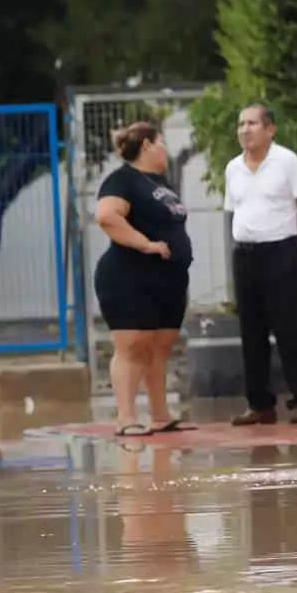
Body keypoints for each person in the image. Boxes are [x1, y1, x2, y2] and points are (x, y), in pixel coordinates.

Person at [93, 122, 196, 437]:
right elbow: (107, 216)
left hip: (168, 279)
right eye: (162, 142)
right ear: (148, 145)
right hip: (129, 276)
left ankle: (160, 416)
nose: (165, 149)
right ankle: (126, 418)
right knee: (132, 347)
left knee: (160, 348)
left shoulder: (159, 182)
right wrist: (146, 244)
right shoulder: (122, 180)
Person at [223, 105, 297, 426]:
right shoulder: (233, 168)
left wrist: (295, 239)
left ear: (270, 129)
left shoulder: (287, 162)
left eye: (252, 123)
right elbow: (233, 211)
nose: (245, 130)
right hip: (246, 254)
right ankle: (260, 403)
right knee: (251, 331)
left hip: (280, 251)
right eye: (241, 124)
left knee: (289, 327)